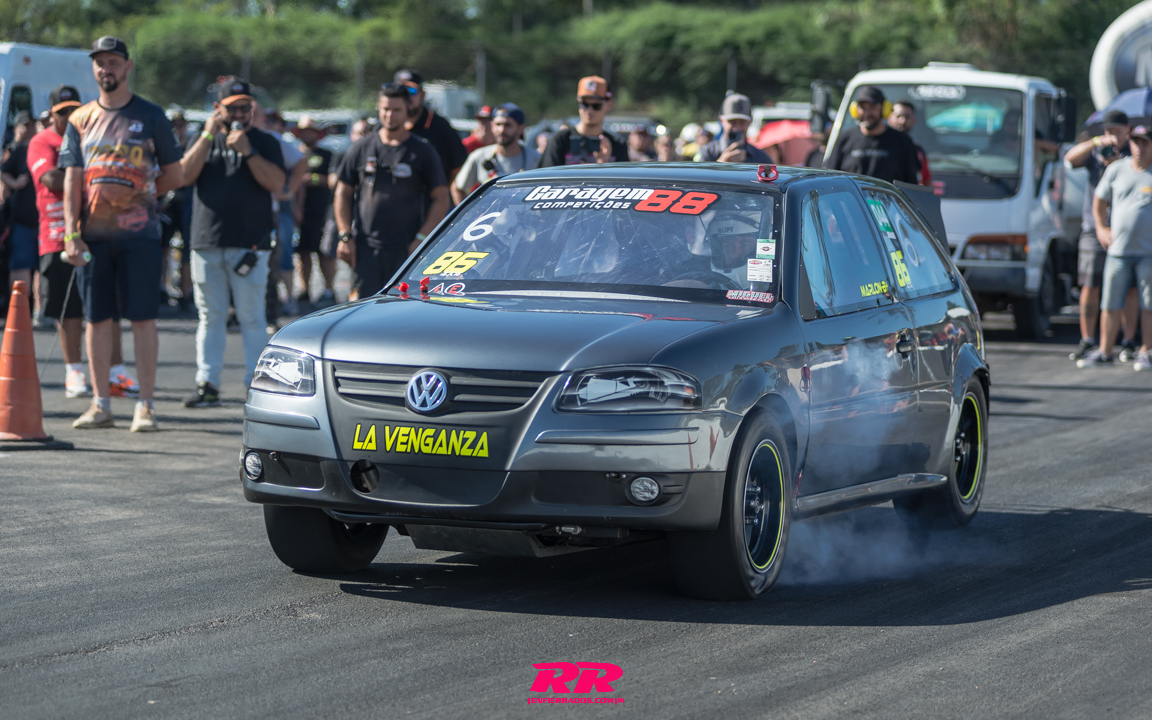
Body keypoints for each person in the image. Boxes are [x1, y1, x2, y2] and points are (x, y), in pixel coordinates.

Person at [60, 36, 184, 431]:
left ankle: (145, 405)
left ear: (128, 67)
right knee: (97, 319)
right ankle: (101, 404)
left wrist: (139, 195)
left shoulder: (151, 115)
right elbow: (71, 181)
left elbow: (175, 174)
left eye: (113, 62)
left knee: (143, 319)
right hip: (92, 236)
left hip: (139, 234)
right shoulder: (80, 119)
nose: (106, 69)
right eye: (100, 63)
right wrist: (70, 234)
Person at [179, 77, 286, 407]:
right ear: (217, 109)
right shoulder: (202, 138)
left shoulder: (264, 141)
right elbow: (184, 175)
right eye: (232, 108)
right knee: (210, 316)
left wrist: (248, 152)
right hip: (207, 241)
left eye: (245, 107)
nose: (239, 113)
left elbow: (277, 184)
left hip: (250, 244)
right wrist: (207, 135)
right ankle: (207, 384)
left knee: (252, 317)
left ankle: (257, 385)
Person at [334, 83, 448, 299]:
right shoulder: (361, 148)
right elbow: (342, 193)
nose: (389, 115)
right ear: (378, 108)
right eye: (385, 109)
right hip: (366, 248)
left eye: (396, 110)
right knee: (363, 309)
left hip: (406, 248)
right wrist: (345, 236)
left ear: (408, 110)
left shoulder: (422, 150)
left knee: (403, 309)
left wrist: (422, 238)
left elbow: (441, 198)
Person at [1064, 109, 1140, 361]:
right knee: (1090, 284)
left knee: (1129, 288)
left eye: (1117, 132)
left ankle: (1128, 341)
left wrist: (1118, 163)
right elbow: (1069, 159)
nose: (1113, 136)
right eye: (1108, 131)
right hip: (1093, 228)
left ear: (1127, 131)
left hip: (1125, 230)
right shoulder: (1096, 151)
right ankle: (1087, 339)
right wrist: (1095, 142)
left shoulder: (1134, 152)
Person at [1078, 124, 1152, 370]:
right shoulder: (1117, 169)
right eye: (1136, 142)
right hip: (1118, 251)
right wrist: (1101, 228)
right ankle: (1105, 351)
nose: (1139, 147)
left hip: (1148, 253)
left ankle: (1146, 351)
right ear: (1130, 143)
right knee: (1110, 303)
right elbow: (1099, 200)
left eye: (1145, 142)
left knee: (1148, 303)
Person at [258, 108, 307, 320]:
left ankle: (289, 297)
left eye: (273, 121)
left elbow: (300, 164)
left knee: (284, 251)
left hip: (280, 208)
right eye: (266, 120)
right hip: (255, 209)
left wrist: (289, 193)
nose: (269, 124)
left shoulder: (277, 141)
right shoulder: (249, 137)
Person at [824, 85, 919, 184]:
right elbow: (829, 179)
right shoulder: (844, 139)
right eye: (862, 108)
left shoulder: (903, 142)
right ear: (855, 110)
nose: (866, 113)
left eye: (872, 107)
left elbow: (910, 184)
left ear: (884, 109)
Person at [292, 114, 338, 309]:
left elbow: (333, 181)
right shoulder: (294, 154)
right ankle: (304, 290)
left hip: (323, 209)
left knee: (324, 252)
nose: (307, 134)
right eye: (304, 131)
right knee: (302, 252)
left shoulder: (328, 155)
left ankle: (328, 289)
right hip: (299, 210)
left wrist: (313, 179)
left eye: (310, 131)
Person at [451, 103, 539, 203]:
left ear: (520, 129)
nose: (501, 130)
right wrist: (470, 212)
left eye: (508, 125)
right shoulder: (480, 157)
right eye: (498, 124)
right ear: (492, 126)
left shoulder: (536, 159)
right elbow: (457, 188)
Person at [394, 69, 468, 187]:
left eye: (411, 91)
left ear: (423, 95)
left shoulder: (440, 126)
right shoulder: (386, 127)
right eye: (400, 91)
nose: (406, 97)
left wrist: (442, 192)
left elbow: (458, 165)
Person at [539, 76, 628, 167]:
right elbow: (548, 174)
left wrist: (603, 164)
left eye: (596, 106)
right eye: (584, 104)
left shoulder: (617, 145)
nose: (589, 110)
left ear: (609, 104)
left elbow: (623, 175)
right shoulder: (560, 141)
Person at [2, 111, 39, 296]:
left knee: (41, 268)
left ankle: (39, 309)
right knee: (21, 265)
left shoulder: (39, 147)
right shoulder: (15, 149)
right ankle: (18, 307)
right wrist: (15, 184)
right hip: (21, 220)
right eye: (25, 125)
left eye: (32, 125)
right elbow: (2, 171)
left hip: (41, 220)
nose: (29, 129)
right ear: (16, 128)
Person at [695, 93, 772, 164]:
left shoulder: (761, 158)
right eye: (732, 122)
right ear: (721, 121)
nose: (737, 128)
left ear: (750, 122)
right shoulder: (706, 152)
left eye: (742, 122)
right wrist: (722, 163)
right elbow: (697, 174)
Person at [888, 100, 932, 186]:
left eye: (907, 117)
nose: (902, 121)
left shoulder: (918, 152)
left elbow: (925, 181)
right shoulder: (879, 147)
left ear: (914, 120)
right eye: (898, 116)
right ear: (889, 118)